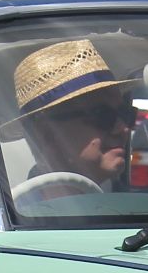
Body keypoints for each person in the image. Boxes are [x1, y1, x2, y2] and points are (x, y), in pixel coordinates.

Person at [8, 38, 139, 189]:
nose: (123, 128)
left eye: (125, 113)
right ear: (46, 134)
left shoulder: (136, 208)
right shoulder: (8, 210)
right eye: (102, 115)